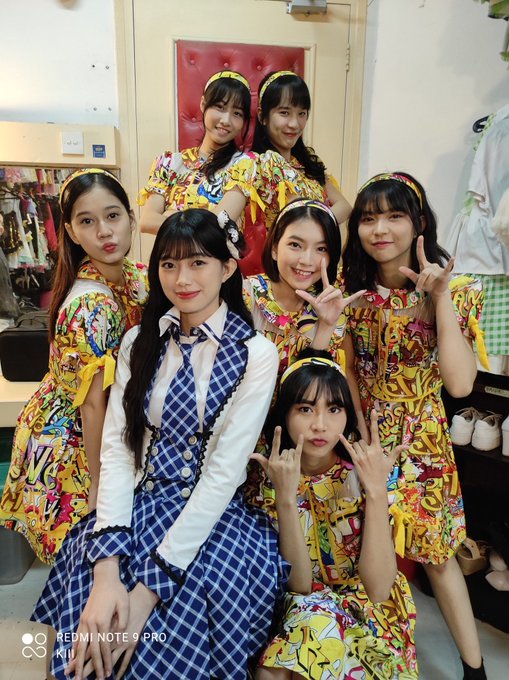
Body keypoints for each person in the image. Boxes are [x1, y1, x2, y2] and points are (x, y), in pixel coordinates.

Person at [32, 208, 284, 680]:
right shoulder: (139, 341)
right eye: (169, 264)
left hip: (211, 519)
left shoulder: (256, 354)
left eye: (198, 263)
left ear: (227, 268)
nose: (182, 279)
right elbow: (118, 450)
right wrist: (107, 572)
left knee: (156, 646)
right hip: (137, 504)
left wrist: (146, 592)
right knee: (87, 634)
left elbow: (223, 474)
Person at [341, 172, 488, 679]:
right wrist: (358, 433)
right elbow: (348, 369)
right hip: (364, 438)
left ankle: (475, 668)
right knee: (359, 551)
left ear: (419, 222)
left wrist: (439, 298)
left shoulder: (458, 290)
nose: (380, 229)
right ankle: (368, 657)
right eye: (368, 218)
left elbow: (461, 384)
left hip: (423, 439)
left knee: (438, 557)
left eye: (394, 216)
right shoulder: (350, 291)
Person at [0, 168, 147, 565]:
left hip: (106, 425)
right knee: (87, 563)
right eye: (87, 221)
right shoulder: (89, 306)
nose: (105, 232)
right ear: (70, 230)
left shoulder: (133, 275)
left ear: (131, 217)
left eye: (112, 215)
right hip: (75, 439)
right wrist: (100, 484)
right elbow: (92, 404)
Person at [246, 351, 418, 679]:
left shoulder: (364, 475)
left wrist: (376, 494)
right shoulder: (268, 480)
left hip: (368, 617)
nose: (320, 425)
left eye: (334, 409)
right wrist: (285, 498)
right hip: (300, 610)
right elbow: (299, 585)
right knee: (282, 663)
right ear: (284, 413)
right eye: (305, 409)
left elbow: (379, 590)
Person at [243, 198, 362, 379]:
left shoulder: (333, 305)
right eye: (295, 245)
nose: (307, 260)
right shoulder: (244, 297)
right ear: (274, 248)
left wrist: (326, 327)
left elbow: (315, 387)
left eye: (321, 248)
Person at [138, 70, 259, 235]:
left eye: (237, 113)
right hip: (170, 253)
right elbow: (147, 222)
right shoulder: (169, 163)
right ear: (203, 104)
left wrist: (170, 216)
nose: (226, 120)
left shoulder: (244, 165)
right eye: (220, 107)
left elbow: (216, 227)